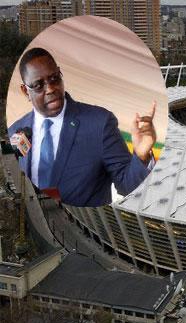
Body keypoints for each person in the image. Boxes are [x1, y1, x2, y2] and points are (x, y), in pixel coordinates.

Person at [8, 47, 157, 207]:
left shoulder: (99, 123)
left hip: (84, 226)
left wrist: (141, 157)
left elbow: (127, 186)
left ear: (60, 74)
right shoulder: (16, 131)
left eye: (54, 78)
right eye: (38, 85)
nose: (50, 88)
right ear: (25, 91)